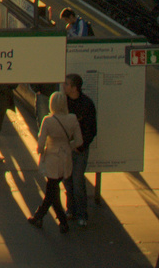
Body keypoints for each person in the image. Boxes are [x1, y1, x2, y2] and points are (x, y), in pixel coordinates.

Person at [28, 91, 82, 232]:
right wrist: (67, 146)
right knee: (53, 189)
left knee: (51, 189)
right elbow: (79, 141)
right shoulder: (72, 119)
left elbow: (41, 142)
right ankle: (59, 221)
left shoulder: (48, 120)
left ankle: (40, 216)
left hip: (51, 157)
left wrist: (41, 150)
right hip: (65, 158)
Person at [64, 74, 98, 227]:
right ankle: (71, 209)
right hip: (67, 148)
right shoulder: (63, 102)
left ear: (74, 87)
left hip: (79, 149)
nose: (64, 87)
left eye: (67, 84)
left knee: (77, 181)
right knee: (68, 181)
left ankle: (81, 213)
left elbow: (91, 129)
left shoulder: (86, 104)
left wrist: (81, 146)